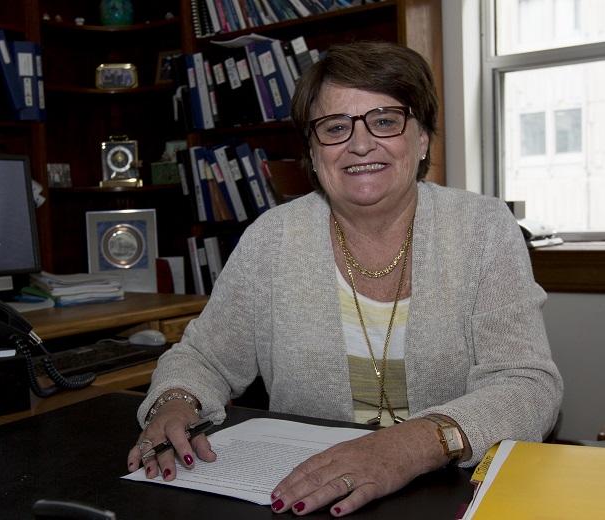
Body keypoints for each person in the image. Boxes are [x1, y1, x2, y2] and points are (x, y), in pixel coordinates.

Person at [127, 41, 563, 516]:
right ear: (313, 154)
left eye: (384, 121)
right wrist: (175, 401)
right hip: (309, 496)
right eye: (335, 128)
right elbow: (204, 358)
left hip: (451, 493)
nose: (359, 144)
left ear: (421, 140)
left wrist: (412, 445)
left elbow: (527, 385)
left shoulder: (482, 227)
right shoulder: (272, 238)